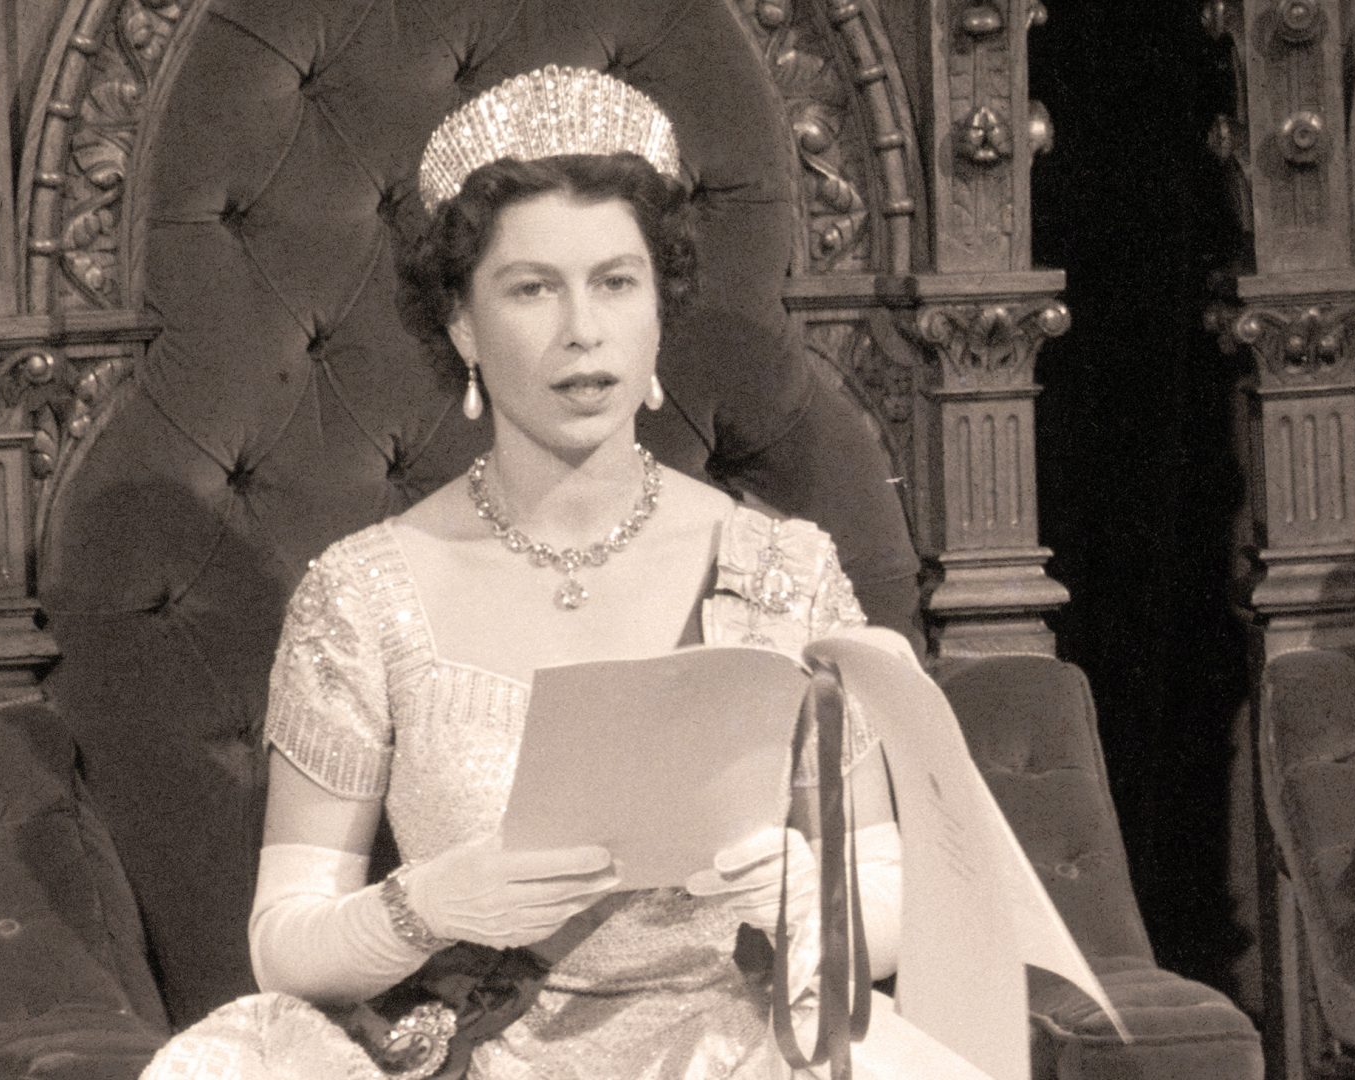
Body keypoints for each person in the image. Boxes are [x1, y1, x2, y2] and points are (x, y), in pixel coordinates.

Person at [142, 66, 917, 1080]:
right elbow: (283, 939)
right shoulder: (364, 595)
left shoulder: (784, 571)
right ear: (463, 323)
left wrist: (814, 896)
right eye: (532, 289)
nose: (581, 331)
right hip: (483, 1049)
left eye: (614, 282)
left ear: (657, 309)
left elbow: (898, 887)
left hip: (747, 1052)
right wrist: (427, 906)